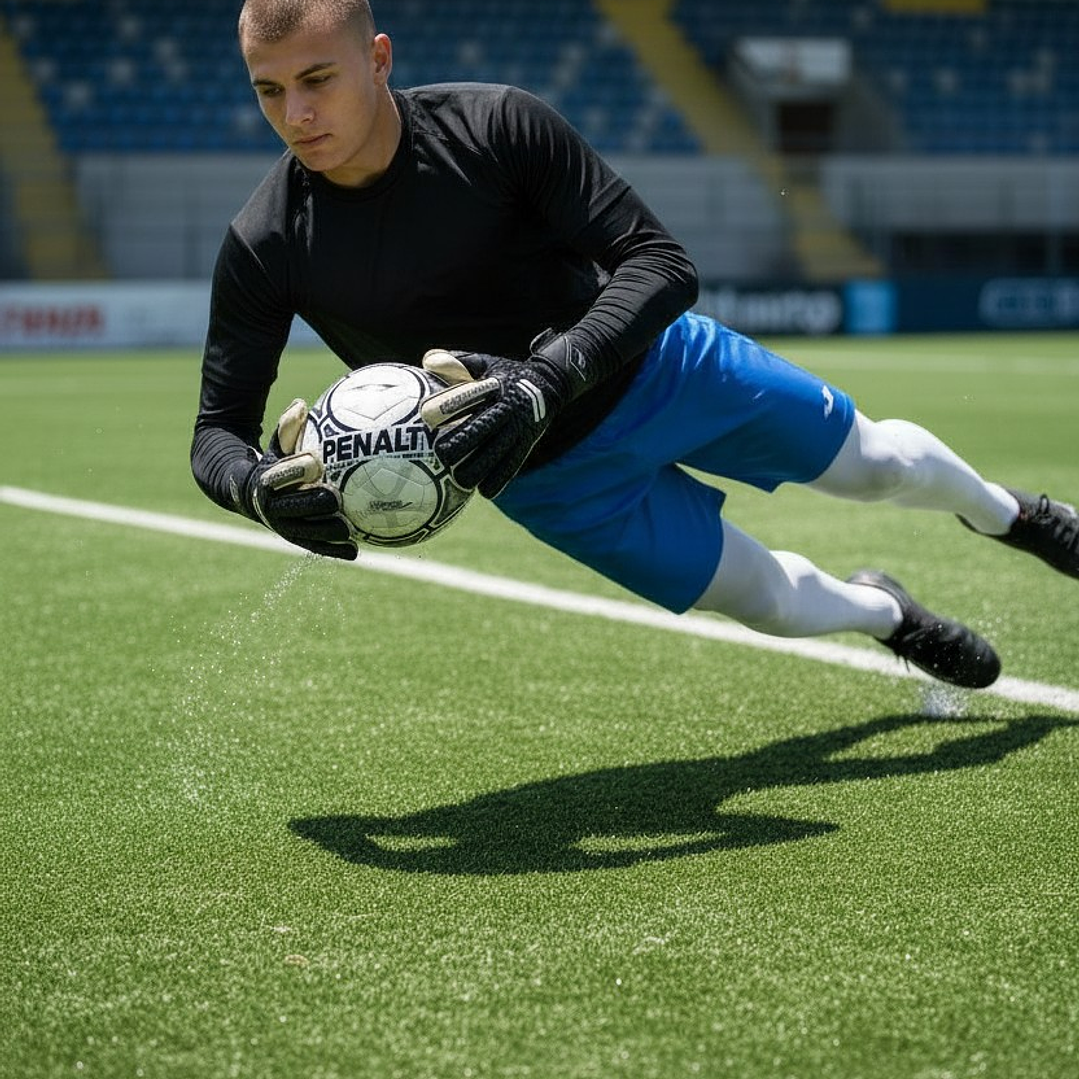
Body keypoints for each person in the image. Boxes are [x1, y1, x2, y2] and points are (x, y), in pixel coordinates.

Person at [192, 0, 1079, 691]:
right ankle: (884, 611)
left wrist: (546, 377)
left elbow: (659, 263)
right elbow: (215, 434)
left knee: (877, 464)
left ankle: (1012, 514)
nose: (296, 114)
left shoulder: (497, 127)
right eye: (269, 90)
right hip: (547, 480)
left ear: (377, 58)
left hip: (659, 369)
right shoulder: (266, 244)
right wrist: (255, 490)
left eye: (318, 79)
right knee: (767, 601)